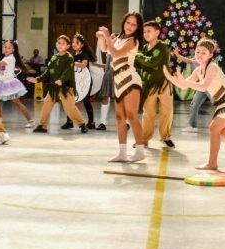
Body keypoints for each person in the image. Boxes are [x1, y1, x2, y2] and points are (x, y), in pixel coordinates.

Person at [164, 38, 225, 173]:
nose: (199, 54)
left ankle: (212, 163)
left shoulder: (212, 67)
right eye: (197, 52)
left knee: (214, 129)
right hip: (223, 102)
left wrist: (184, 81)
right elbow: (184, 86)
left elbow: (203, 87)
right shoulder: (198, 70)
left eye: (204, 52)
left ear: (210, 55)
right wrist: (170, 78)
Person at [98, 12, 145, 162]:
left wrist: (106, 35)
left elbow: (116, 53)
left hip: (130, 80)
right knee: (120, 118)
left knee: (132, 116)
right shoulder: (119, 38)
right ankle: (122, 153)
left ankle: (139, 151)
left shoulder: (133, 41)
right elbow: (105, 50)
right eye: (128, 23)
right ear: (123, 23)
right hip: (118, 80)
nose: (130, 26)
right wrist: (101, 37)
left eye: (133, 24)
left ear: (138, 27)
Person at [29, 35, 88, 137]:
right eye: (59, 43)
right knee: (46, 104)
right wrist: (37, 79)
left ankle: (82, 124)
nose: (60, 45)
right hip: (53, 87)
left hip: (66, 87)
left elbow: (68, 72)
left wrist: (61, 80)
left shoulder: (69, 58)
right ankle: (42, 126)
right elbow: (48, 72)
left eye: (63, 43)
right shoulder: (54, 57)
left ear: (68, 46)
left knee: (70, 108)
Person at [134, 19, 176, 149]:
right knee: (148, 113)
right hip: (148, 85)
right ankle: (144, 139)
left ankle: (165, 136)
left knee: (167, 111)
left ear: (157, 32)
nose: (146, 34)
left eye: (149, 31)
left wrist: (136, 54)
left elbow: (152, 61)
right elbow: (138, 64)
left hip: (164, 84)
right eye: (144, 32)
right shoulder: (143, 48)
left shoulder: (163, 47)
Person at [0, 39, 34, 128]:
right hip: (2, 83)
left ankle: (30, 120)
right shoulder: (5, 58)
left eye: (9, 48)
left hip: (10, 84)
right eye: (5, 47)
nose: (6, 49)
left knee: (17, 103)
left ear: (13, 50)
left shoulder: (10, 58)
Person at [70, 34, 98, 130]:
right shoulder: (73, 54)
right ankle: (69, 121)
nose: (74, 44)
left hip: (85, 81)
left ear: (82, 44)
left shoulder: (84, 53)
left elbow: (83, 64)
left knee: (86, 101)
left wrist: (72, 63)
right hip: (76, 80)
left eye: (76, 42)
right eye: (73, 42)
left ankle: (91, 122)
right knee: (71, 100)